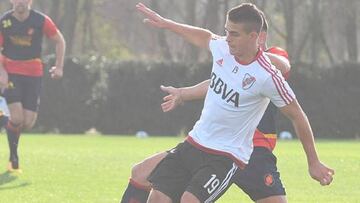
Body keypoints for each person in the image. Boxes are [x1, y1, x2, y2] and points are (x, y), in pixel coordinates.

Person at [136, 3, 333, 203]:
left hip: (225, 157)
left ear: (254, 36)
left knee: (189, 201)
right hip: (194, 143)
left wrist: (313, 161)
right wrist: (167, 24)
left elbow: (297, 115)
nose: (228, 39)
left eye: (235, 34)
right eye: (227, 31)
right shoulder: (223, 48)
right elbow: (204, 36)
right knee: (158, 197)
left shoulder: (267, 77)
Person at [0, 0, 66, 173]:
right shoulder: (4, 22)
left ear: (30, 1)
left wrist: (59, 66)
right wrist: (2, 71)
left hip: (34, 74)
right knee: (17, 118)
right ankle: (13, 158)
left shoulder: (40, 20)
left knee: (28, 122)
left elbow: (59, 40)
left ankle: (2, 119)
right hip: (11, 72)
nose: (20, 2)